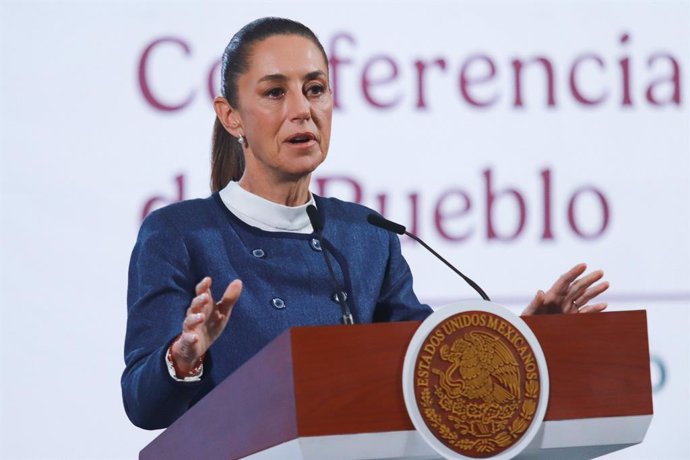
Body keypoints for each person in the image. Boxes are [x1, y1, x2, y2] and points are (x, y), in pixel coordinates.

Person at [122, 17, 609, 430]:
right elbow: (142, 404)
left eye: (315, 89)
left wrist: (515, 342)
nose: (302, 111)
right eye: (275, 93)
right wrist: (182, 358)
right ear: (231, 118)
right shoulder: (179, 234)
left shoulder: (366, 235)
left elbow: (429, 369)